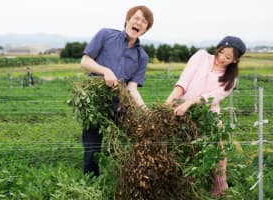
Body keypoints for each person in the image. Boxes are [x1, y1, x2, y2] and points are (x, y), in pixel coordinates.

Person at [165, 36, 246, 196]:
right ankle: (175, 187)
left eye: (228, 57)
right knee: (177, 147)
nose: (222, 58)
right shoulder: (201, 56)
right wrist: (170, 99)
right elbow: (184, 81)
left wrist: (189, 103)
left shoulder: (231, 80)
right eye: (221, 52)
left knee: (217, 150)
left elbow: (212, 97)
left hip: (208, 116)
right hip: (179, 108)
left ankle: (220, 189)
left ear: (235, 61)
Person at [80, 5, 154, 177]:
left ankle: (126, 178)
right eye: (136, 18)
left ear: (145, 30)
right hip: (96, 100)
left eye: (144, 22)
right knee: (92, 148)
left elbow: (132, 88)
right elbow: (85, 61)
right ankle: (91, 183)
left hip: (120, 104)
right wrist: (105, 71)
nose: (139, 23)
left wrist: (146, 111)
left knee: (133, 139)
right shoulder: (106, 35)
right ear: (127, 20)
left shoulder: (142, 57)